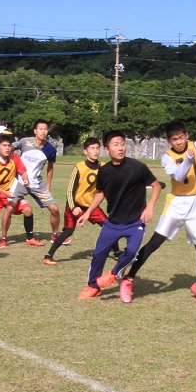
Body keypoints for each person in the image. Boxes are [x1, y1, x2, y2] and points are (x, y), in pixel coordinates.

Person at [121, 121, 196, 302]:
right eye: (174, 139)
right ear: (169, 141)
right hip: (177, 203)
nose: (179, 142)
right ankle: (128, 280)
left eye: (181, 138)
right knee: (154, 243)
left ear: (187, 135)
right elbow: (179, 176)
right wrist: (189, 159)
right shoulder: (167, 157)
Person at [78, 131, 162, 300]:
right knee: (99, 254)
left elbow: (156, 185)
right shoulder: (104, 171)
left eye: (122, 143)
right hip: (113, 222)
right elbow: (100, 192)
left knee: (131, 252)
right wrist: (88, 212)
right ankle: (93, 287)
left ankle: (114, 273)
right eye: (115, 144)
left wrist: (150, 207)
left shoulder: (138, 167)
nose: (120, 147)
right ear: (107, 149)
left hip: (135, 222)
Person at [43, 136, 111, 266]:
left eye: (97, 148)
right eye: (92, 148)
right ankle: (48, 255)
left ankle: (117, 252)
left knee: (109, 226)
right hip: (75, 206)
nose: (95, 151)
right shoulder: (79, 167)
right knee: (68, 231)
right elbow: (70, 191)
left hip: (91, 206)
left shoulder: (103, 167)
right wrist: (73, 207)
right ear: (85, 151)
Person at [10, 120, 59, 247]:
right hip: (20, 182)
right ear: (35, 131)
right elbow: (8, 147)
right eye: (41, 129)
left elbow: (50, 167)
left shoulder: (50, 149)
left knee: (54, 209)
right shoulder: (25, 141)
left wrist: (48, 184)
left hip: (37, 184)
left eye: (45, 129)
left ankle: (55, 235)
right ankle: (4, 237)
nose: (43, 131)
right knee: (9, 208)